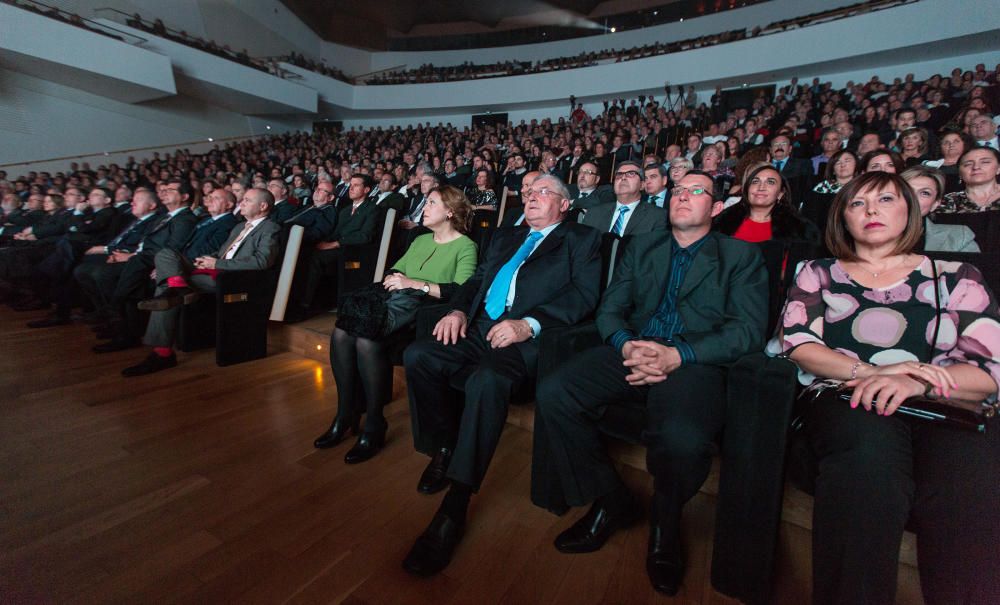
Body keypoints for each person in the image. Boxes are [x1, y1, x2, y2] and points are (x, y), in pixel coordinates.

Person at [531, 170, 768, 596]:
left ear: (716, 208)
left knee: (681, 437)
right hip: (634, 348)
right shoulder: (642, 247)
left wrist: (678, 355)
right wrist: (625, 345)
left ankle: (666, 520)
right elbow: (610, 309)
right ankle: (610, 500)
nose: (683, 196)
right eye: (678, 190)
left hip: (694, 361)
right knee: (554, 392)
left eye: (696, 191)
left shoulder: (740, 256)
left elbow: (747, 331)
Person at [778, 170, 1000, 605]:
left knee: (971, 484)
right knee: (867, 468)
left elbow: (989, 370)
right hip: (849, 396)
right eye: (857, 203)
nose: (871, 210)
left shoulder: (956, 274)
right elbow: (799, 345)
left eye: (884, 199)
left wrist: (914, 381)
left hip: (943, 405)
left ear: (910, 211)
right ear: (842, 217)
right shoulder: (818, 272)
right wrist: (868, 374)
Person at [401, 174, 602, 577]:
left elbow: (583, 296)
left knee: (486, 380)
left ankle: (455, 504)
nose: (530, 198)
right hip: (479, 327)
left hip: (527, 339)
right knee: (419, 355)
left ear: (565, 204)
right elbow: (476, 282)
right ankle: (444, 449)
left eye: (543, 192)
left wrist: (529, 323)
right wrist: (458, 311)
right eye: (528, 193)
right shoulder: (505, 238)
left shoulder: (582, 239)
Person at [313, 186, 478, 462]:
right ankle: (346, 413)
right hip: (395, 303)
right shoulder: (420, 240)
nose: (424, 208)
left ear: (450, 211)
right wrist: (395, 279)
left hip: (424, 313)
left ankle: (375, 423)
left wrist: (414, 284)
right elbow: (396, 269)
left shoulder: (466, 246)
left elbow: (461, 291)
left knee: (366, 339)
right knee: (341, 332)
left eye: (432, 203)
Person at [122, 187, 282, 375]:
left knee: (165, 285)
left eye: (247, 200)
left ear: (263, 206)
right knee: (166, 255)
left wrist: (217, 263)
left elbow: (262, 261)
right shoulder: (240, 226)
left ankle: (163, 352)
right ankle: (178, 287)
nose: (241, 203)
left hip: (231, 278)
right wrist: (207, 259)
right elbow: (223, 251)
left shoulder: (270, 227)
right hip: (213, 268)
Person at [714, 163, 818, 244]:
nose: (761, 187)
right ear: (746, 190)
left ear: (780, 193)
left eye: (770, 182)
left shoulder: (799, 229)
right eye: (755, 182)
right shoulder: (721, 222)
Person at [901, 165, 978, 252]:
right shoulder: (882, 233)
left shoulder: (957, 237)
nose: (913, 198)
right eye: (907, 190)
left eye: (925, 193)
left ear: (935, 204)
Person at [582, 161, 667, 235]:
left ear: (642, 185)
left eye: (631, 174)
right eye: (619, 175)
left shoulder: (657, 216)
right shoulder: (593, 213)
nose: (623, 178)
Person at [801, 149, 859, 236]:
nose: (842, 165)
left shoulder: (863, 187)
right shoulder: (821, 188)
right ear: (833, 170)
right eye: (838, 162)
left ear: (856, 165)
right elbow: (810, 218)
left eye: (847, 161)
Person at [936, 146, 1000, 213]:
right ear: (960, 173)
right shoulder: (947, 201)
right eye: (968, 164)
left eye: (985, 162)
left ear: (998, 168)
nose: (976, 167)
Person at [922, 129, 975, 193]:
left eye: (956, 141)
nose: (951, 145)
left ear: (964, 144)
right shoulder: (929, 165)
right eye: (946, 142)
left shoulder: (973, 165)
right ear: (940, 147)